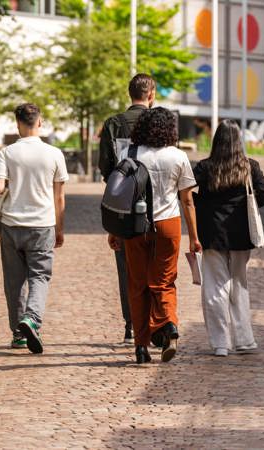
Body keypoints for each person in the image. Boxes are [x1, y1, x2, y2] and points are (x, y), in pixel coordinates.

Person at [108, 107, 201, 364]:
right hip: (168, 224)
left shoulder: (128, 152)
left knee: (137, 285)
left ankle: (141, 346)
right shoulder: (178, 156)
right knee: (165, 280)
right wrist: (194, 236)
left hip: (135, 225)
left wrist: (114, 230)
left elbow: (117, 193)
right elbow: (187, 201)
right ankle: (168, 324)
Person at [0, 103, 68, 354]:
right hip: (43, 224)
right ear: (40, 122)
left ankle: (18, 334)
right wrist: (60, 228)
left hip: (11, 224)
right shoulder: (54, 153)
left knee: (14, 282)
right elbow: (59, 197)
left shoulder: (6, 153)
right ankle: (32, 319)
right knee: (40, 276)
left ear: (18, 124)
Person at [193, 120, 264, 357]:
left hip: (211, 232)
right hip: (241, 232)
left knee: (215, 286)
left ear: (216, 141)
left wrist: (202, 206)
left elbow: (184, 191)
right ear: (239, 142)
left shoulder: (205, 167)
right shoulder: (250, 166)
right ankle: (244, 339)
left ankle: (220, 343)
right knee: (239, 283)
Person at [98, 73, 157, 344]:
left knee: (127, 267)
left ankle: (132, 323)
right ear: (151, 94)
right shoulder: (160, 122)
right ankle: (157, 321)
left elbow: (105, 168)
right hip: (156, 204)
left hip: (124, 204)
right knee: (156, 265)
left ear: (129, 93)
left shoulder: (113, 124)